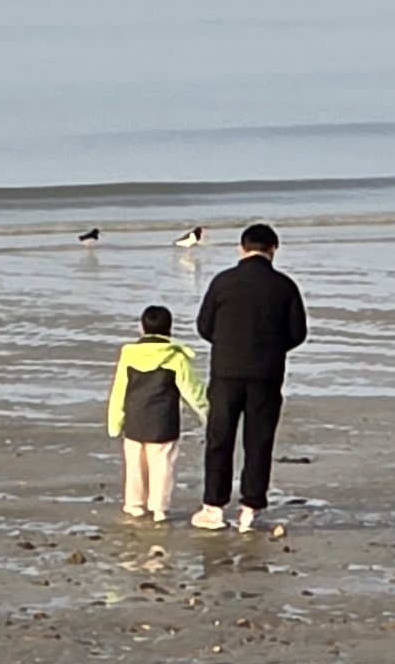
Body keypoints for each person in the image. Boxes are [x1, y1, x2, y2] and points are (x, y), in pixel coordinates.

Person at [191, 222, 309, 531]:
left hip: (226, 371)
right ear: (273, 250)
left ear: (242, 248)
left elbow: (204, 327)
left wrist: (228, 341)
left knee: (219, 439)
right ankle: (250, 508)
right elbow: (297, 333)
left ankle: (214, 508)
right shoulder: (284, 286)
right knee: (259, 440)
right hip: (266, 373)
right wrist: (271, 347)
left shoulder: (222, 282)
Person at [105, 303, 209, 520]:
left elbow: (119, 391)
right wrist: (207, 415)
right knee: (162, 465)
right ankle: (159, 508)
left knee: (135, 465)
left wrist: (115, 422)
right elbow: (192, 391)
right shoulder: (176, 357)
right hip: (164, 422)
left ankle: (134, 504)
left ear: (141, 329)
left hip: (135, 420)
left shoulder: (129, 355)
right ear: (169, 329)